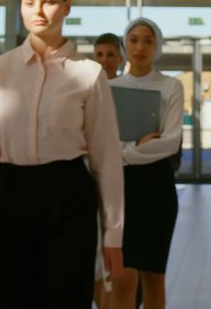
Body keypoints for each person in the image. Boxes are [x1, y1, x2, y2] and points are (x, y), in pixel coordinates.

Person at [0, 0, 125, 308]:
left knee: (68, 298)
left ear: (67, 7)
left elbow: (106, 157)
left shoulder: (88, 74)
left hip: (70, 195)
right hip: (16, 194)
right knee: (15, 298)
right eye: (29, 2)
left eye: (49, 2)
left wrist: (113, 235)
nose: (39, 11)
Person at [108, 18, 184, 309]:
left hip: (157, 189)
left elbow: (170, 142)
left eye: (148, 41)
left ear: (157, 46)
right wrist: (137, 147)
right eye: (134, 39)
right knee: (122, 276)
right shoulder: (110, 88)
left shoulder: (171, 86)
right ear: (125, 45)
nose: (140, 47)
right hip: (120, 189)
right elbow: (101, 142)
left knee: (154, 277)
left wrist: (123, 151)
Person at [91, 31, 124, 309]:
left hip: (120, 181)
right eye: (99, 54)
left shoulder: (125, 94)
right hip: (89, 182)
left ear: (120, 58)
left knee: (111, 257)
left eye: (110, 54)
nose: (104, 60)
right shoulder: (85, 91)